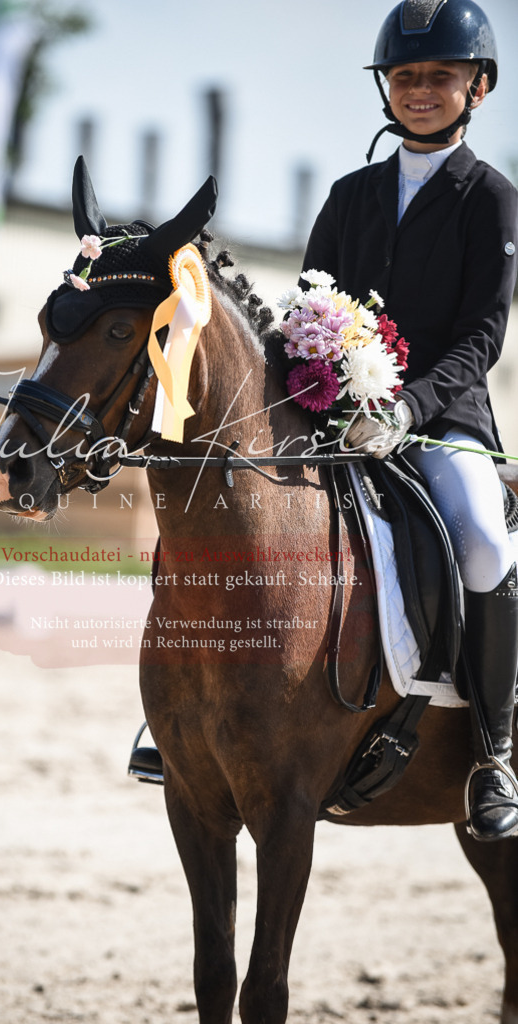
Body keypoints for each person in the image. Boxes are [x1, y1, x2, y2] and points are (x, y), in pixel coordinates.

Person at [301, 0, 518, 839]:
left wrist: (410, 406)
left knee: (482, 539)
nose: (420, 90)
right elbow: (307, 308)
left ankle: (493, 754)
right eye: (405, 76)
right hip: (330, 416)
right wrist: (313, 386)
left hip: (441, 420)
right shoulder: (349, 195)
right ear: (386, 89)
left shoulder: (491, 200)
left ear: (478, 86)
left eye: (439, 76)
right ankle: (182, 723)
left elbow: (482, 336)